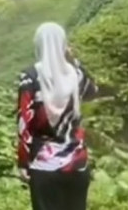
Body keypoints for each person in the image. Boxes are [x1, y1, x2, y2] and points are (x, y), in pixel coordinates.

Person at [16, 22, 98, 210]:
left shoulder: (30, 76)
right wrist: (74, 60)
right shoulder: (75, 74)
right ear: (63, 44)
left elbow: (24, 123)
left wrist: (23, 161)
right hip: (76, 162)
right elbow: (92, 91)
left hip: (44, 165)